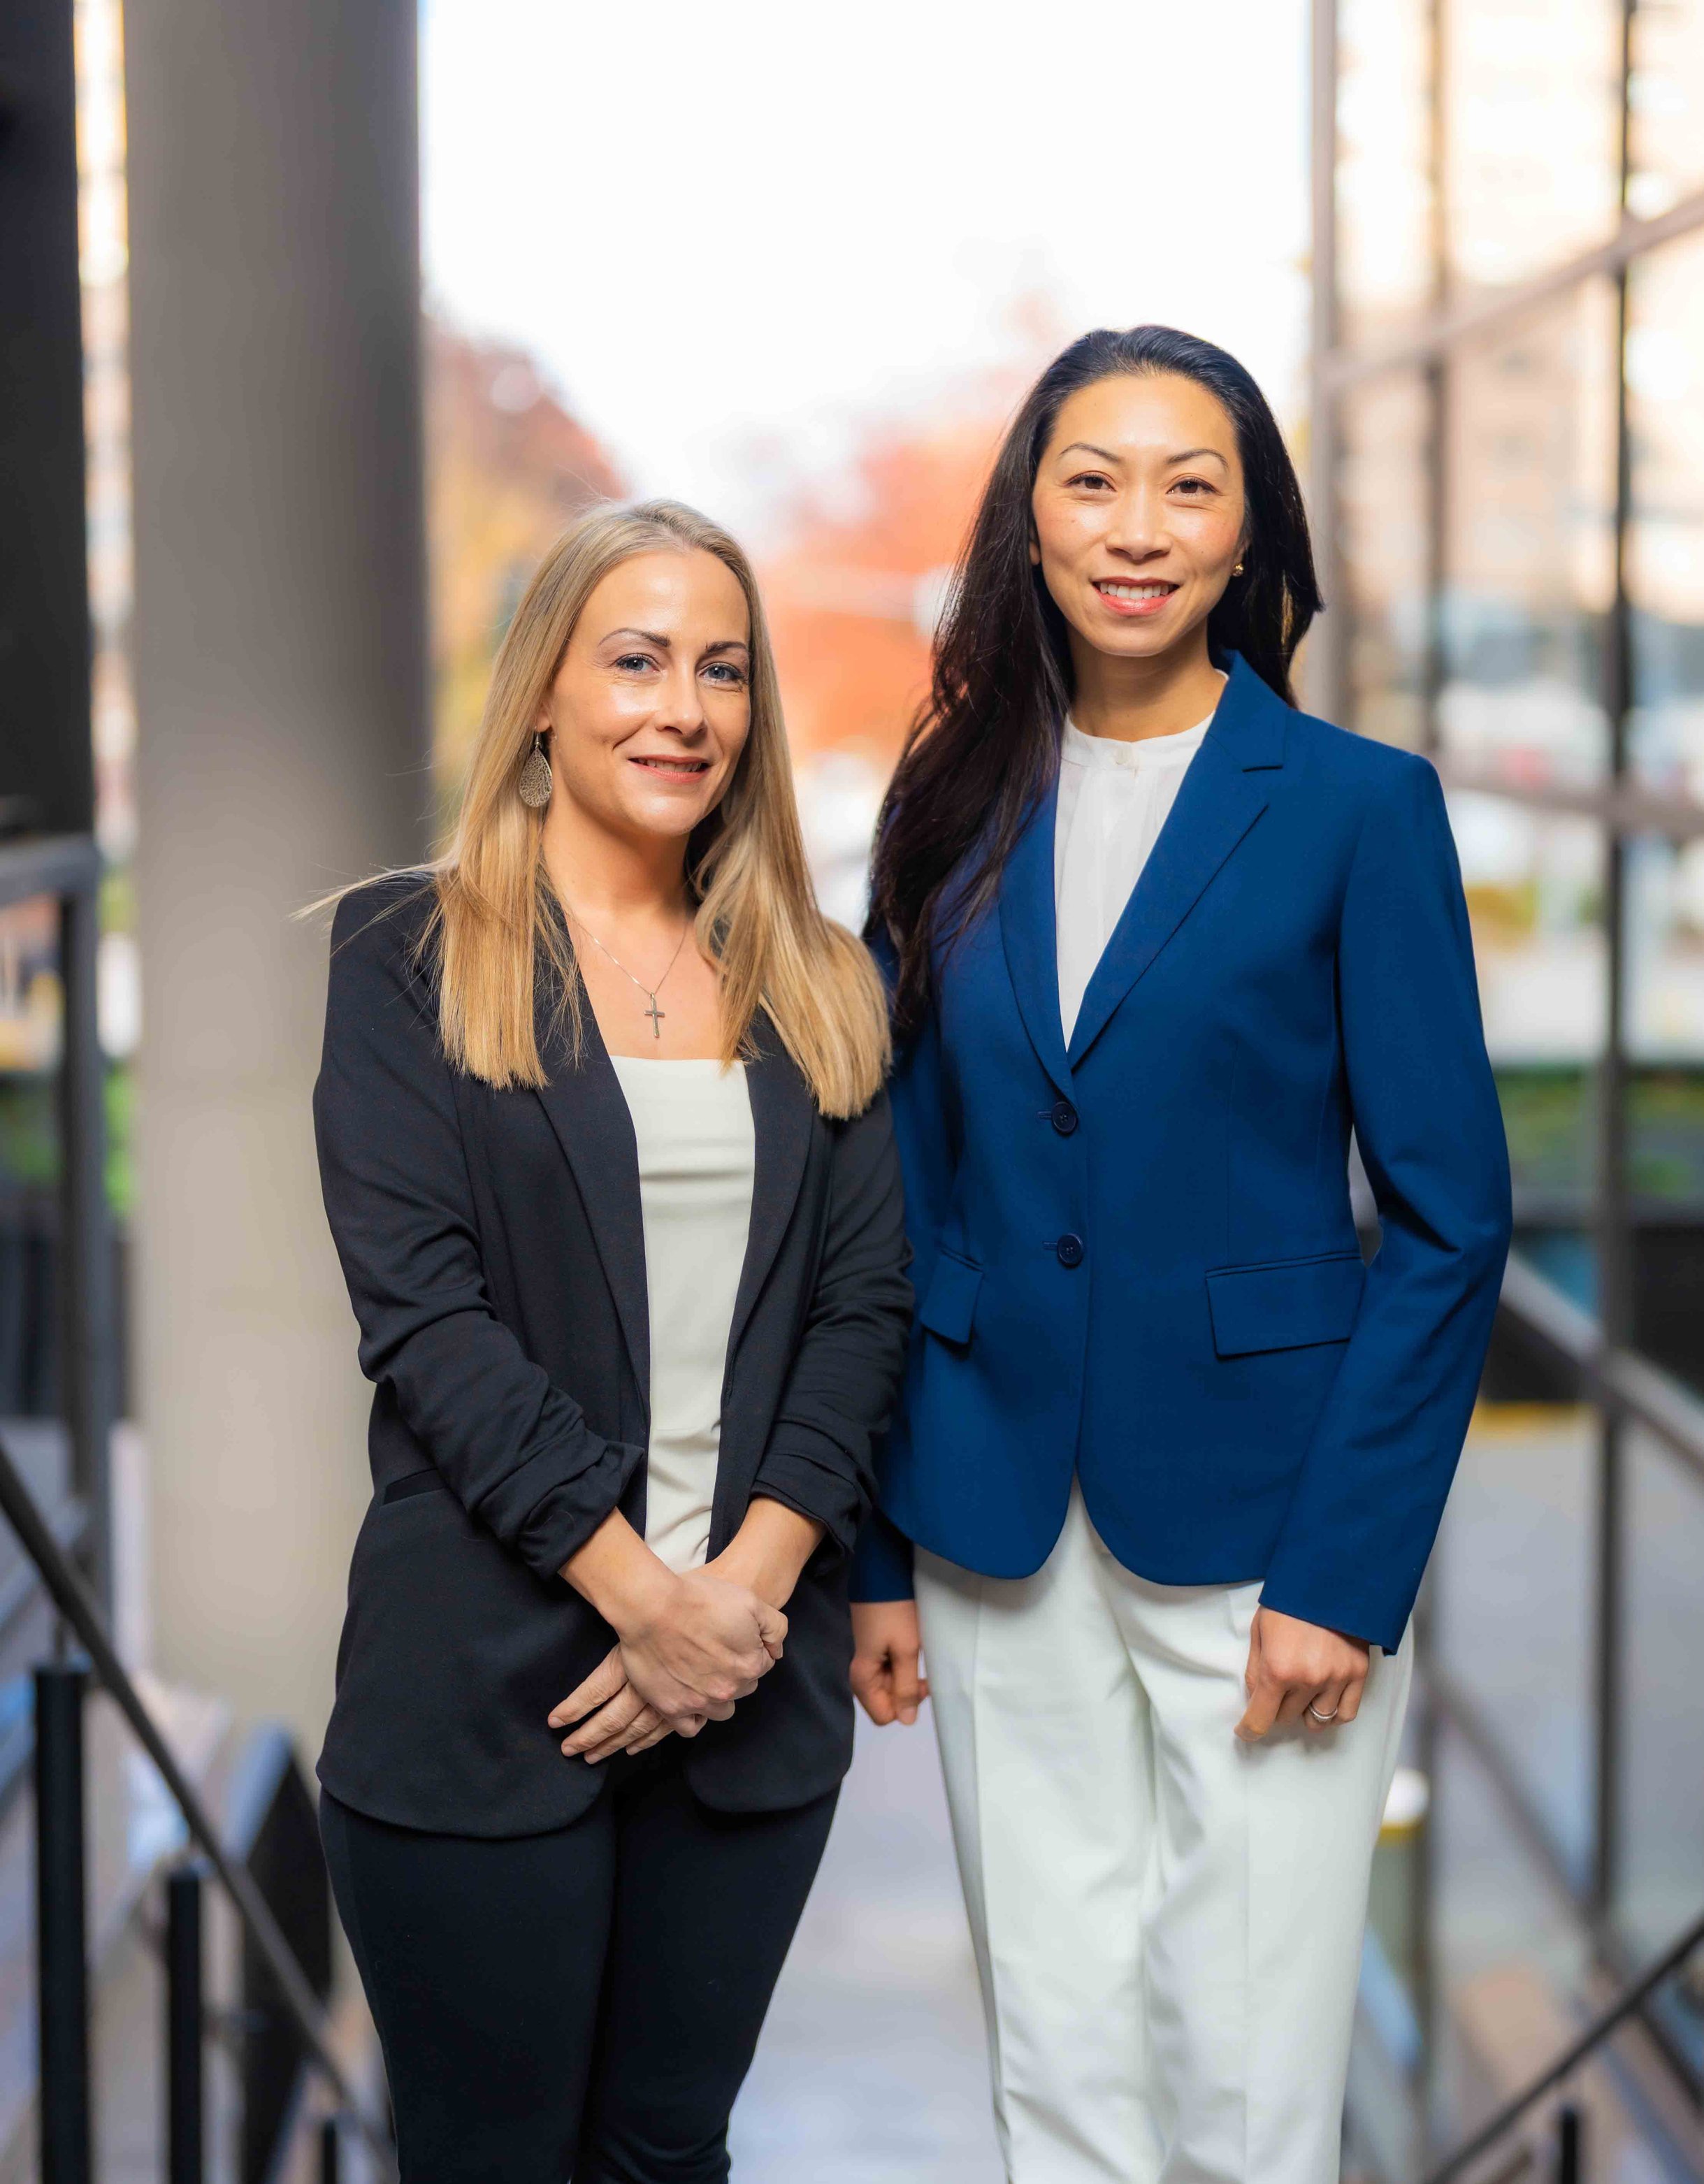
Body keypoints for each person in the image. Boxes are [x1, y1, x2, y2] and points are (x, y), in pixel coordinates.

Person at [849, 326, 1512, 2184]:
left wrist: (1346, 1569)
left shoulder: (1355, 807)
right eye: (1091, 478)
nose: (1135, 524)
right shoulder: (948, 805)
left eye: (1188, 482)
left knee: (1240, 2082)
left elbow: (1451, 1216)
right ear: (1029, 522)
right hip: (987, 1515)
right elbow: (902, 1186)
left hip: (1266, 1526)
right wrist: (876, 1544)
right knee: (1053, 2074)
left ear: (1244, 539)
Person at [312, 499, 911, 2184]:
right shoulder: (409, 955)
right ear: (547, 692)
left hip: (748, 1699)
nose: (684, 707)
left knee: (666, 2155)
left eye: (721, 670)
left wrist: (738, 1610)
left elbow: (862, 1316)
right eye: (636, 660)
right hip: (490, 1688)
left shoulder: (821, 977)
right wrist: (649, 1605)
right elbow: (428, 1327)